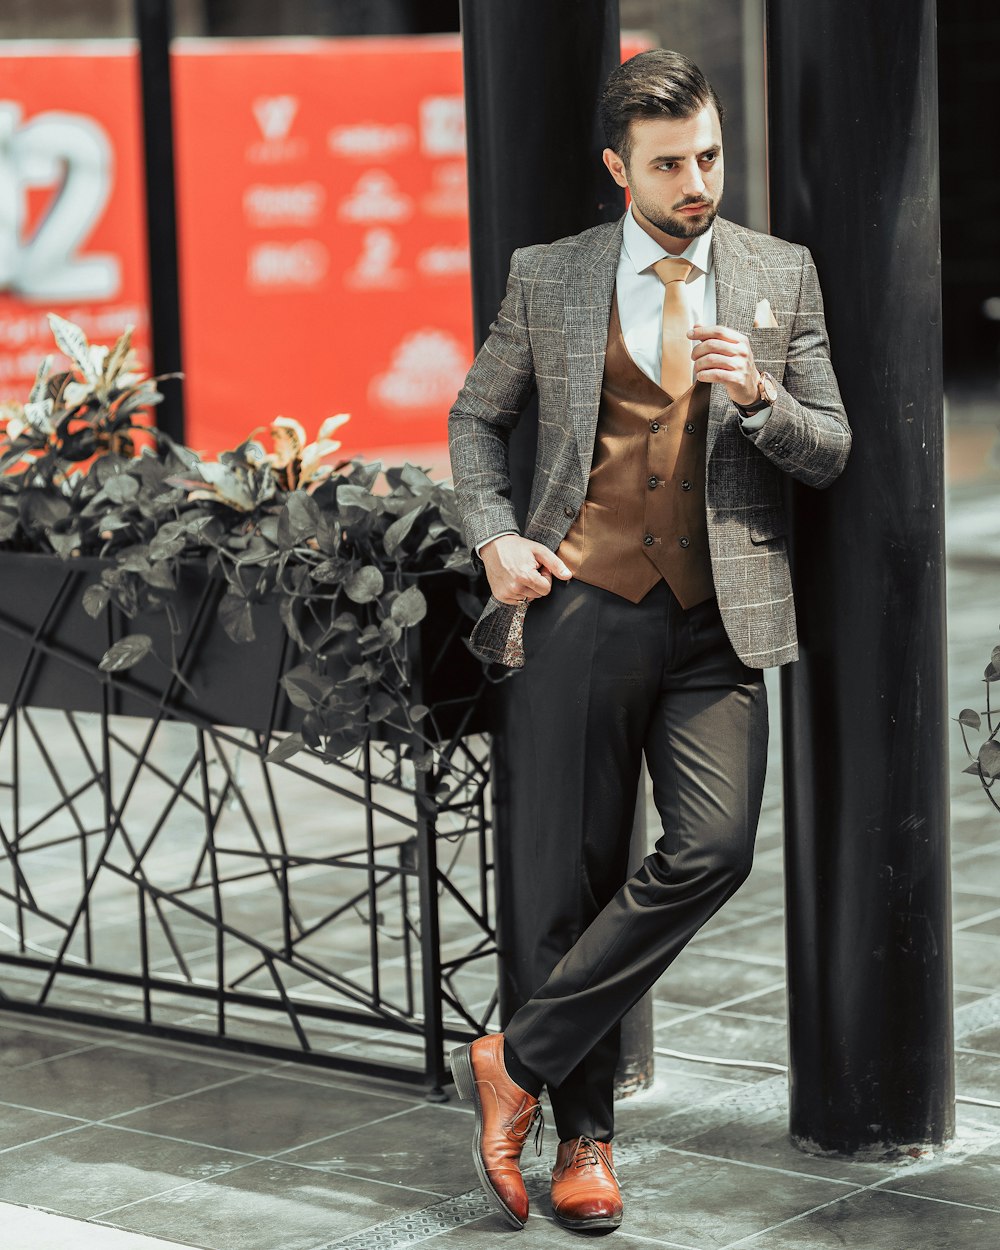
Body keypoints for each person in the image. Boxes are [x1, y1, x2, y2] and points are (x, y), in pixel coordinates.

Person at [447, 48, 850, 1235]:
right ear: (618, 167)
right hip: (581, 604)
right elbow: (477, 418)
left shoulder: (778, 272)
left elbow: (833, 448)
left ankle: (510, 1056)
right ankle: (584, 1141)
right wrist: (494, 538)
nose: (698, 182)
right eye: (671, 163)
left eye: (710, 156)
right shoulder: (553, 275)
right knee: (568, 881)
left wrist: (765, 405)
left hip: (716, 619)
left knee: (712, 846)